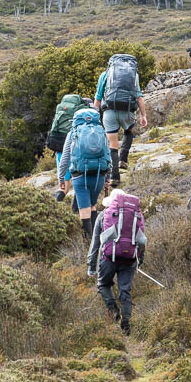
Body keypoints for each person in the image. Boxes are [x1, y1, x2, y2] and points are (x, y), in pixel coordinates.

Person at [87, 188, 147, 336]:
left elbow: (95, 243)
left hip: (109, 258)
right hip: (130, 259)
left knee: (103, 284)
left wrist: (91, 266)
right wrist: (139, 260)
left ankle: (114, 311)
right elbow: (141, 240)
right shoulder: (136, 215)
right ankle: (126, 323)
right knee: (125, 289)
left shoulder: (104, 215)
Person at [56, 108, 111, 240]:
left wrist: (61, 177)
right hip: (99, 174)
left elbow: (65, 158)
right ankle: (96, 240)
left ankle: (88, 243)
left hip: (80, 175)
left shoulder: (73, 133)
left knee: (83, 209)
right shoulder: (101, 131)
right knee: (92, 205)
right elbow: (108, 154)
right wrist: (108, 177)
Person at [93, 54, 148, 187]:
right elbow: (139, 97)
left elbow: (98, 98)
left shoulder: (105, 75)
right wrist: (143, 115)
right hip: (128, 111)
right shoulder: (134, 75)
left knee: (112, 144)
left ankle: (115, 177)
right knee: (129, 130)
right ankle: (123, 159)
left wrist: (94, 118)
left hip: (109, 112)